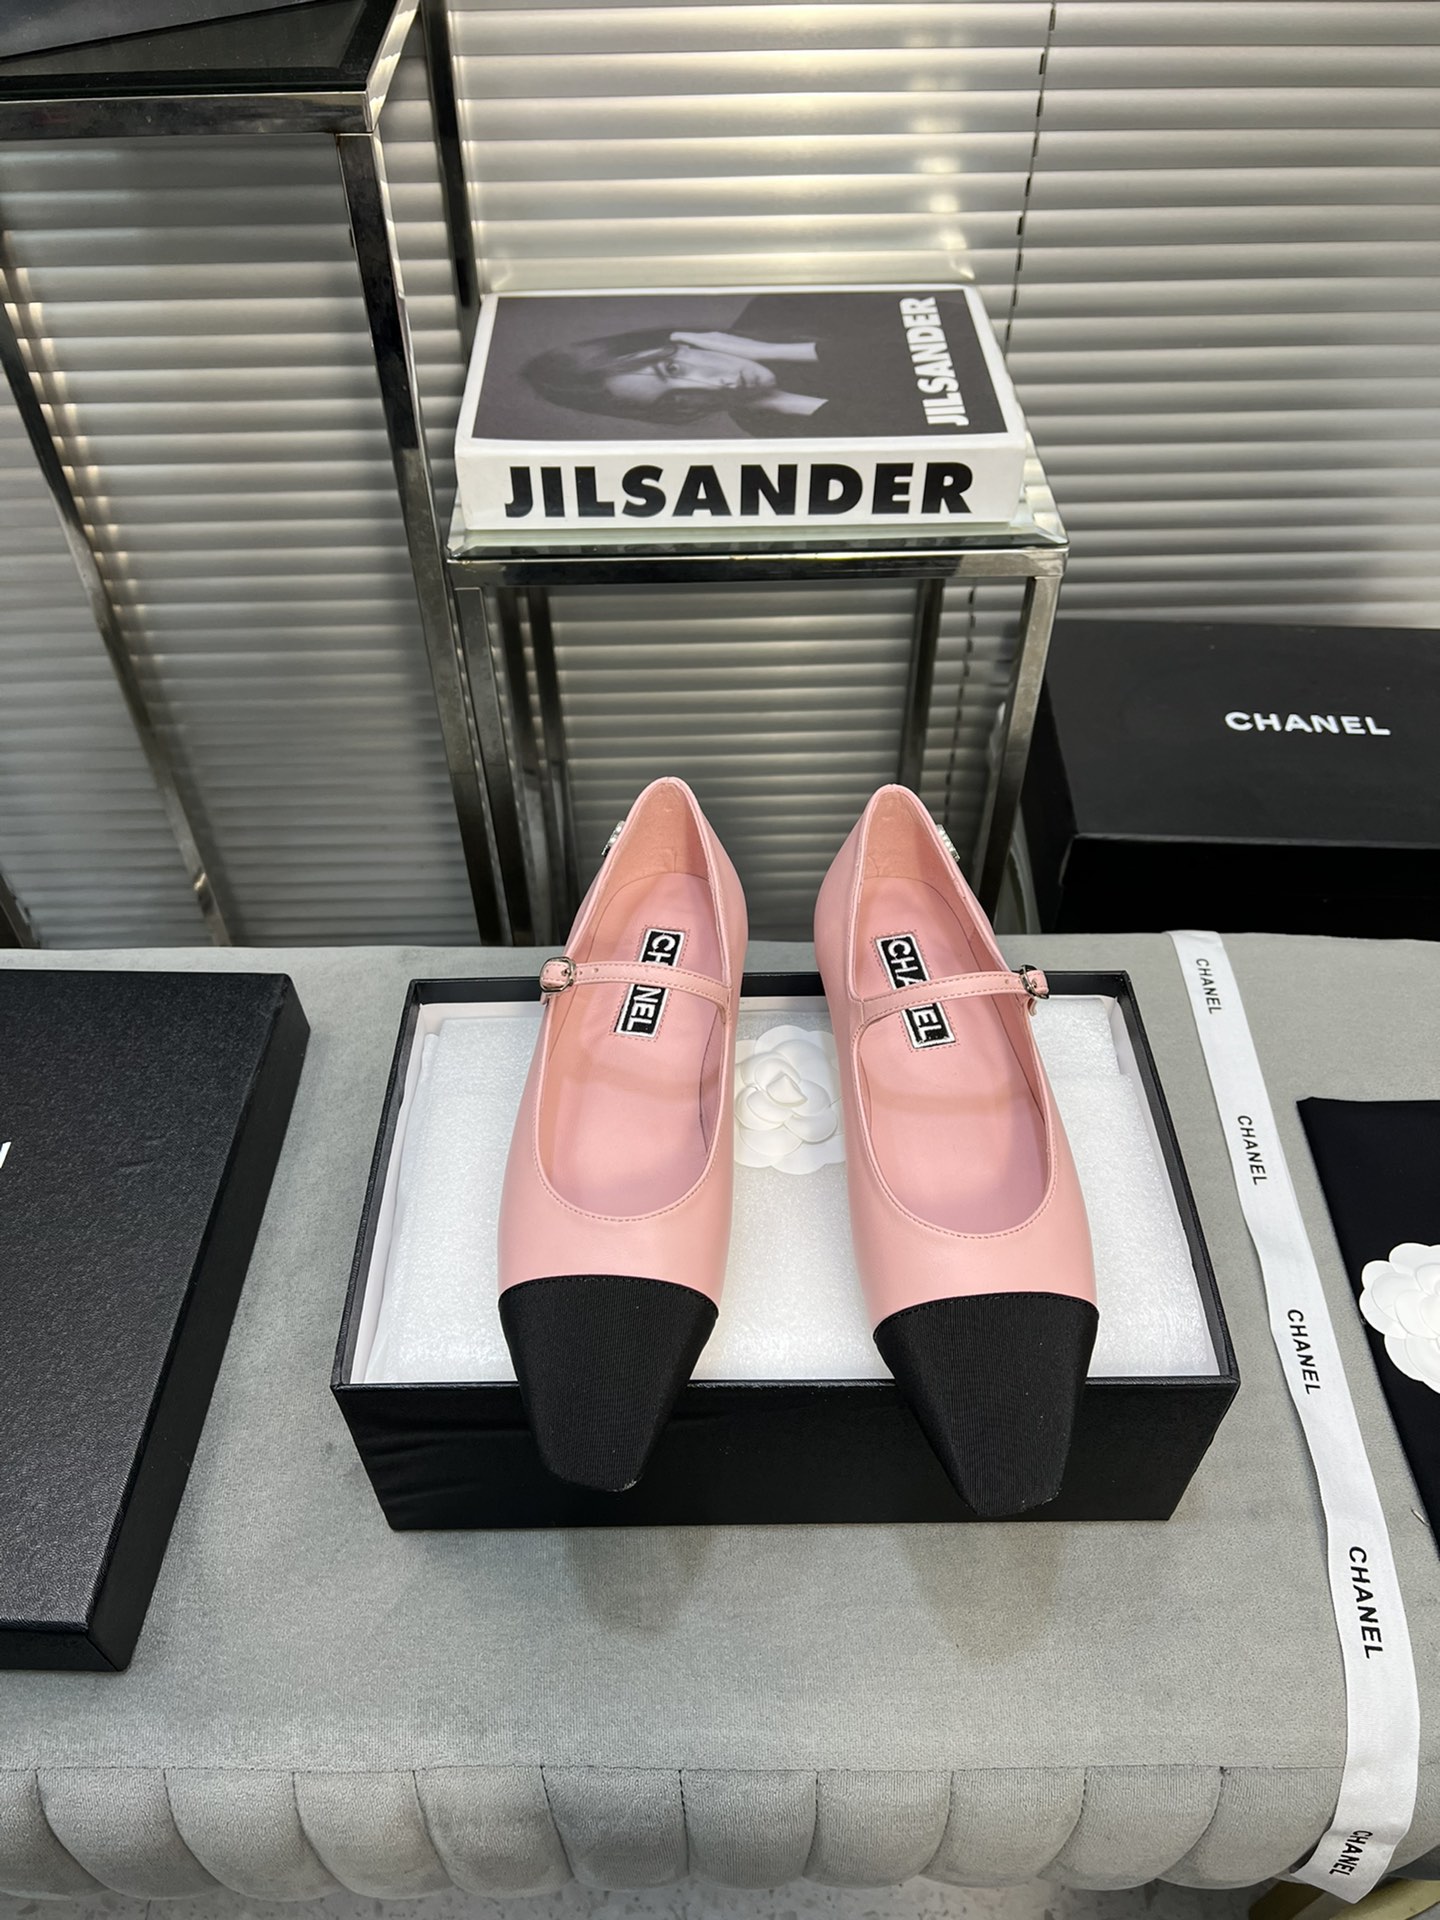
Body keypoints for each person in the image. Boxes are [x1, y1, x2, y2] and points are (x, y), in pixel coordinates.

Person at [519, 293, 940, 437]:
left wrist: (770, 351)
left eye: (674, 371)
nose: (714, 387)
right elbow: (929, 437)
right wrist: (783, 401)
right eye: (677, 399)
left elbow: (948, 340)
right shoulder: (769, 425)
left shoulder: (787, 305)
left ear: (682, 343)